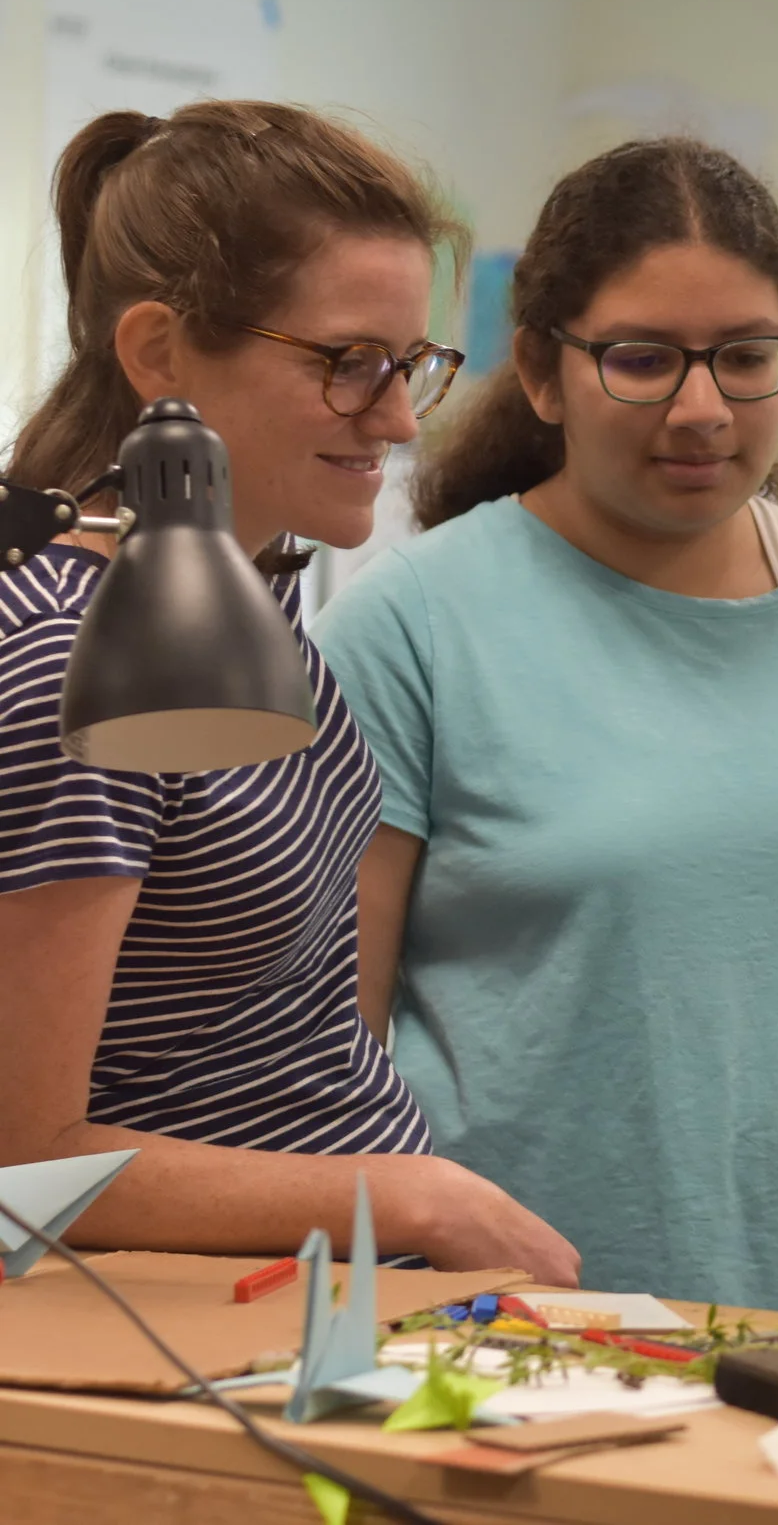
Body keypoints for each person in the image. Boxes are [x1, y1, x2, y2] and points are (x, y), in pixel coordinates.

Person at [315, 138, 778, 1315]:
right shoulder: (409, 626)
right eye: (643, 359)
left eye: (746, 357)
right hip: (518, 1329)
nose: (702, 407)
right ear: (545, 371)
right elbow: (328, 1049)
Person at [0, 101, 575, 1280]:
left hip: (312, 1303)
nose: (403, 419)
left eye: (410, 363)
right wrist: (402, 1195)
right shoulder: (75, 659)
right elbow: (24, 1159)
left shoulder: (245, 598)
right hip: (177, 1336)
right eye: (347, 364)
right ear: (159, 353)